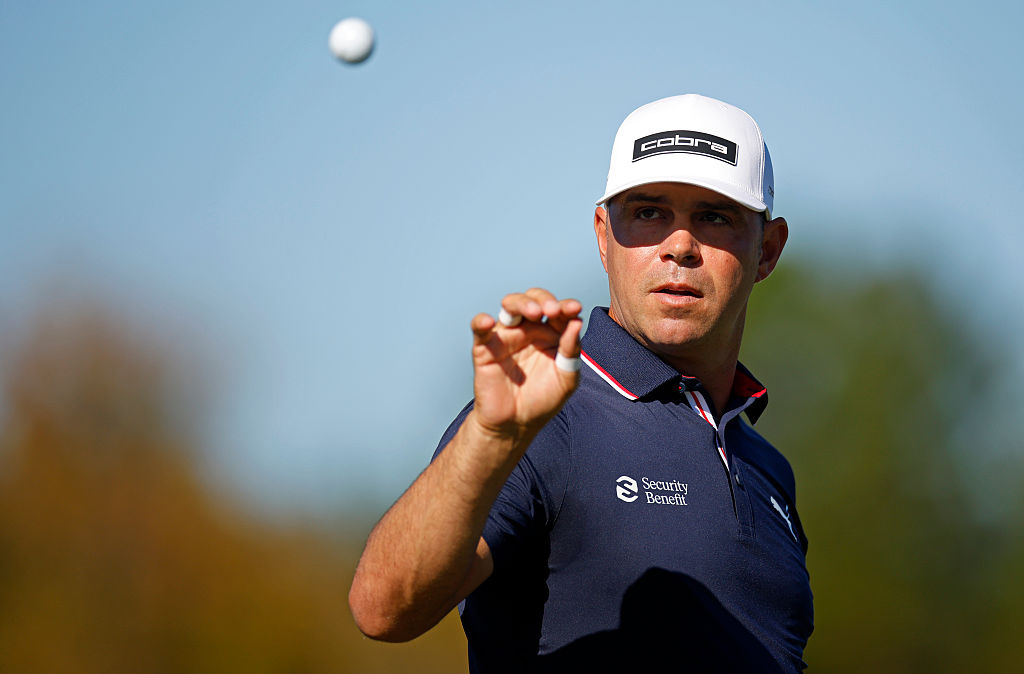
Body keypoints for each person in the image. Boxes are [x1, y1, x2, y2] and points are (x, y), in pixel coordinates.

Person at [349, 94, 814, 672]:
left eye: (714, 217)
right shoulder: (546, 424)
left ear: (768, 249)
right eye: (649, 212)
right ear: (603, 235)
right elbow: (383, 609)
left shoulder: (768, 468)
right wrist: (492, 437)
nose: (679, 246)